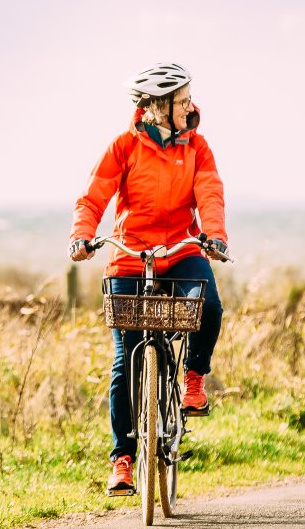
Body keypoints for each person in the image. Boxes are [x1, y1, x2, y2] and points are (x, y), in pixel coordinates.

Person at [70, 62, 229, 497]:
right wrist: (83, 237)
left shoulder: (198, 146)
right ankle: (123, 458)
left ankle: (194, 378)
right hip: (129, 254)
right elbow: (93, 197)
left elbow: (209, 193)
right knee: (125, 359)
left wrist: (213, 236)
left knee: (210, 306)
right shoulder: (123, 146)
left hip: (180, 247)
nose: (189, 107)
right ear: (157, 108)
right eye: (181, 102)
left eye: (187, 99)